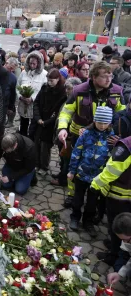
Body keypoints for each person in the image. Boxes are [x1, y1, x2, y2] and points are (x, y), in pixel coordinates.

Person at [56, 61, 125, 207]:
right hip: (77, 136)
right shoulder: (78, 90)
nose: (109, 80)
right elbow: (66, 112)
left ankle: (93, 198)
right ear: (93, 77)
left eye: (110, 76)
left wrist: (120, 135)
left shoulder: (117, 91)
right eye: (104, 76)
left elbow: (122, 116)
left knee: (99, 167)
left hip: (104, 139)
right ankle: (72, 195)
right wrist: (62, 128)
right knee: (72, 166)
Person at [67, 106, 114, 235]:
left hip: (98, 178)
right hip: (82, 173)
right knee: (78, 199)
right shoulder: (86, 134)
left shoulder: (111, 138)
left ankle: (88, 222)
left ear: (109, 123)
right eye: (100, 122)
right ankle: (75, 217)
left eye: (106, 123)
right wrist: (72, 170)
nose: (102, 126)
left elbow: (112, 158)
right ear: (94, 121)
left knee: (92, 202)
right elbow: (76, 152)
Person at [91, 136, 131, 266]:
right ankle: (116, 248)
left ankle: (113, 255)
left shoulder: (127, 146)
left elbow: (111, 171)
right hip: (128, 195)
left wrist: (95, 185)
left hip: (119, 195)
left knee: (117, 225)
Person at [32, 68, 67, 176]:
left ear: (58, 79)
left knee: (45, 146)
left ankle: (44, 166)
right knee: (37, 142)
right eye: (48, 80)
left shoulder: (62, 92)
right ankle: (37, 164)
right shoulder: (44, 87)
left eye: (52, 80)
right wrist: (38, 118)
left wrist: (47, 122)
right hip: (40, 120)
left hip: (50, 124)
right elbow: (36, 103)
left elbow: (59, 111)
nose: (49, 82)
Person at [16, 51, 48, 136]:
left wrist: (32, 98)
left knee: (33, 128)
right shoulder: (23, 73)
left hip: (36, 107)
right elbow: (18, 86)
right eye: (30, 63)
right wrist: (20, 97)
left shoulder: (44, 74)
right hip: (23, 105)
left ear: (39, 63)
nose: (32, 66)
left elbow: (44, 91)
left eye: (34, 64)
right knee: (23, 125)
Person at [107, 213, 131, 285]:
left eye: (126, 240)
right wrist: (118, 273)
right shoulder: (127, 238)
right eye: (122, 240)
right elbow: (124, 255)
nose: (124, 242)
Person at [4, 58, 18, 128]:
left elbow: (13, 93)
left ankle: (10, 121)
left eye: (13, 69)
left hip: (6, 100)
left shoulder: (13, 77)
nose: (12, 70)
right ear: (6, 63)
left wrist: (11, 107)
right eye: (11, 68)